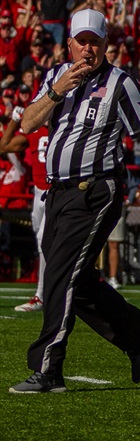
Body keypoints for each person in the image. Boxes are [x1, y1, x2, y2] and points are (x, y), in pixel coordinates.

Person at [11, 9, 140, 394]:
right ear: (69, 44)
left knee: (59, 275)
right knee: (73, 277)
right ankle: (134, 332)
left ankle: (48, 368)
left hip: (95, 189)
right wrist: (58, 90)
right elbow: (27, 123)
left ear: (106, 45)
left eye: (95, 42)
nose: (88, 49)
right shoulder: (56, 76)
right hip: (56, 191)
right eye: (82, 41)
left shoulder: (121, 83)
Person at [0, 113, 48, 312]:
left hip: (58, 190)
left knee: (45, 240)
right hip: (38, 191)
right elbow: (4, 146)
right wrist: (14, 120)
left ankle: (42, 295)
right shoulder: (35, 130)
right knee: (40, 240)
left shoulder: (65, 126)